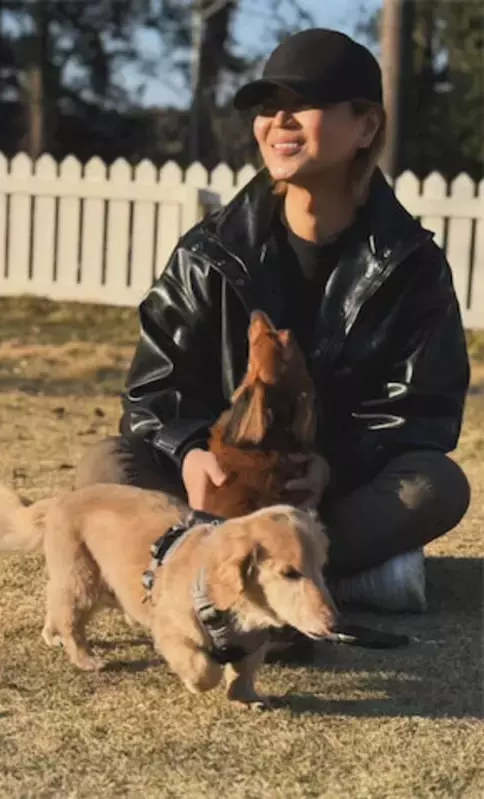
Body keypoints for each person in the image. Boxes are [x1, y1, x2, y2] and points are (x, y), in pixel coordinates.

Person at [81, 28, 470, 615]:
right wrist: (188, 453)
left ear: (366, 126)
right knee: (105, 466)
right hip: (213, 495)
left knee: (436, 485)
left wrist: (330, 467)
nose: (278, 121)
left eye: (303, 104)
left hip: (326, 497)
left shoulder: (411, 264)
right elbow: (149, 396)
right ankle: (302, 576)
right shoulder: (208, 252)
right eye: (267, 107)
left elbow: (422, 415)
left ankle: (240, 578)